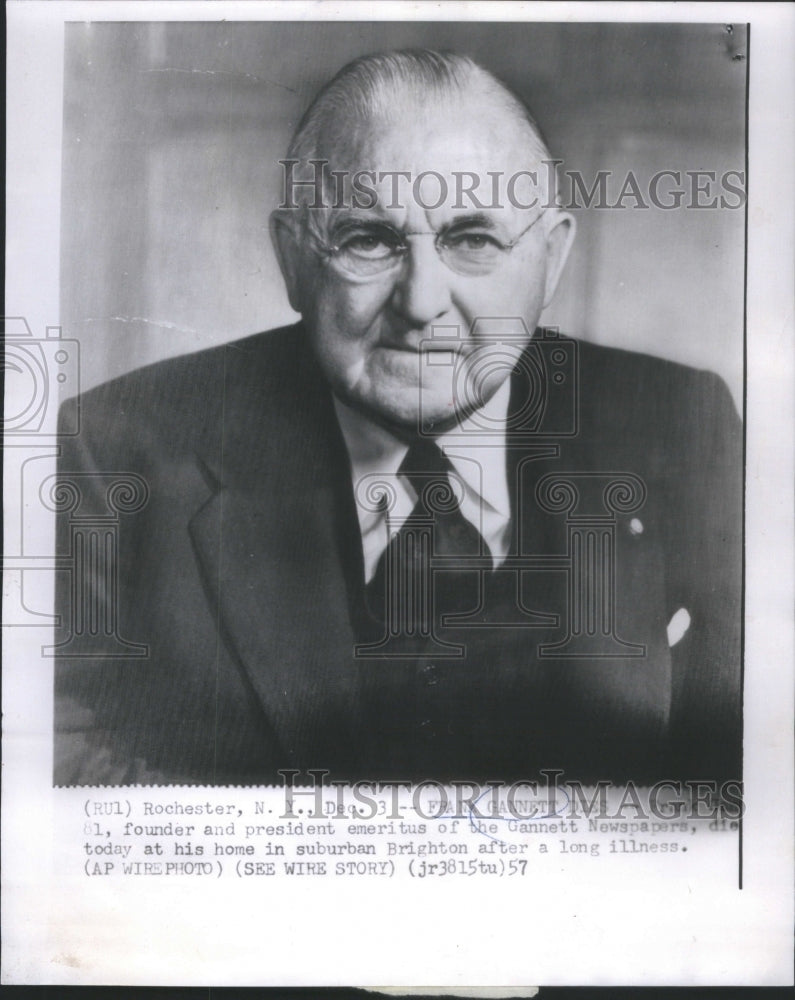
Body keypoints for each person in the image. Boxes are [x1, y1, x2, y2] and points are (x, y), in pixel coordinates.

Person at [53, 49, 741, 787]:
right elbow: (55, 764)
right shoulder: (117, 450)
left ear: (552, 256)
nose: (420, 305)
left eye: (472, 239)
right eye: (369, 240)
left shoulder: (681, 424)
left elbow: (746, 760)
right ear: (292, 258)